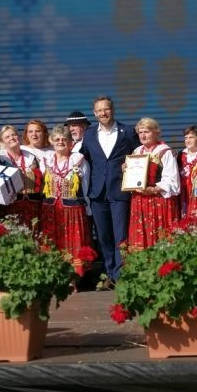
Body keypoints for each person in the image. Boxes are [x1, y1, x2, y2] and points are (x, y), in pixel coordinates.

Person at [82, 96, 138, 289]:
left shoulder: (127, 131)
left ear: (112, 110)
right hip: (97, 192)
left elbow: (140, 154)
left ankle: (120, 275)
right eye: (99, 110)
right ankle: (108, 271)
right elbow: (82, 156)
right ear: (94, 113)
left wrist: (131, 165)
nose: (103, 113)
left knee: (121, 234)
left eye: (106, 109)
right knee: (104, 235)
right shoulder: (89, 133)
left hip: (120, 189)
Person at [40, 127, 92, 266]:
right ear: (52, 141)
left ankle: (74, 274)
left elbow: (85, 186)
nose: (60, 142)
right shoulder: (46, 161)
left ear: (70, 143)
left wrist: (87, 206)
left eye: (64, 139)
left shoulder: (79, 160)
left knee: (73, 242)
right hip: (50, 210)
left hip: (72, 209)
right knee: (52, 242)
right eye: (57, 139)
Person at [126, 117, 180, 249]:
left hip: (158, 200)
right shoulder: (137, 151)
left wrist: (154, 189)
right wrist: (126, 170)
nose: (143, 135)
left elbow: (171, 179)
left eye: (147, 132)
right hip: (139, 200)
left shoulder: (165, 152)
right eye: (140, 132)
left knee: (160, 236)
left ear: (156, 133)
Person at [0, 124, 45, 230]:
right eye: (7, 137)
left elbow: (40, 180)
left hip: (33, 204)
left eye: (13, 135)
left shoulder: (31, 156)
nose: (11, 138)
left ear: (18, 136)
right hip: (11, 206)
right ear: (2, 142)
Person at [178, 125, 197, 216]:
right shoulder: (180, 155)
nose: (187, 140)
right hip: (183, 195)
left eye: (191, 137)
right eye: (186, 138)